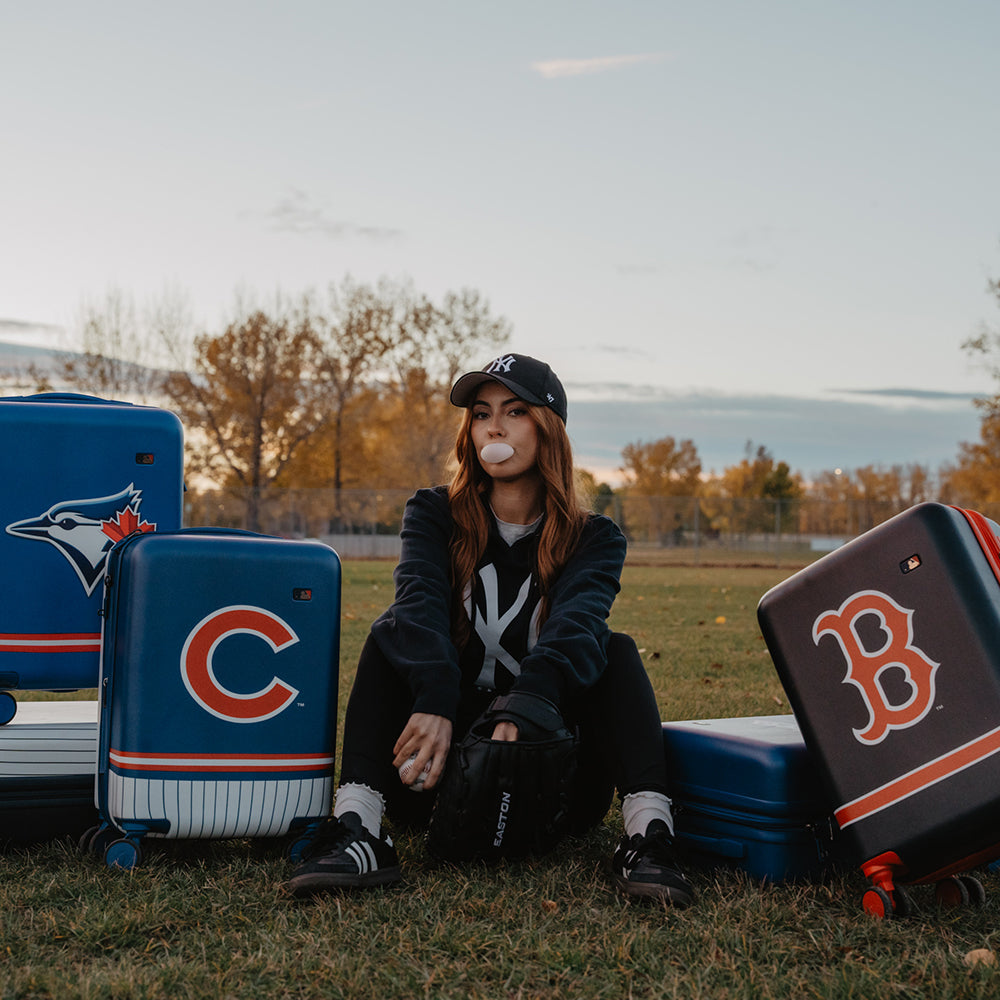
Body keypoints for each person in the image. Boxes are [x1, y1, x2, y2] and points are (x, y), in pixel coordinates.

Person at [284, 353, 694, 906]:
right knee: (390, 633)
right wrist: (435, 699)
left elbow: (576, 626)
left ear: (548, 429)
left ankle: (648, 835)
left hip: (550, 772)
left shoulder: (594, 537)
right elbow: (418, 601)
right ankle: (358, 826)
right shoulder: (434, 512)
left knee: (614, 650)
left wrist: (524, 709)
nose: (494, 427)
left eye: (514, 411)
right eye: (481, 414)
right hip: (436, 767)